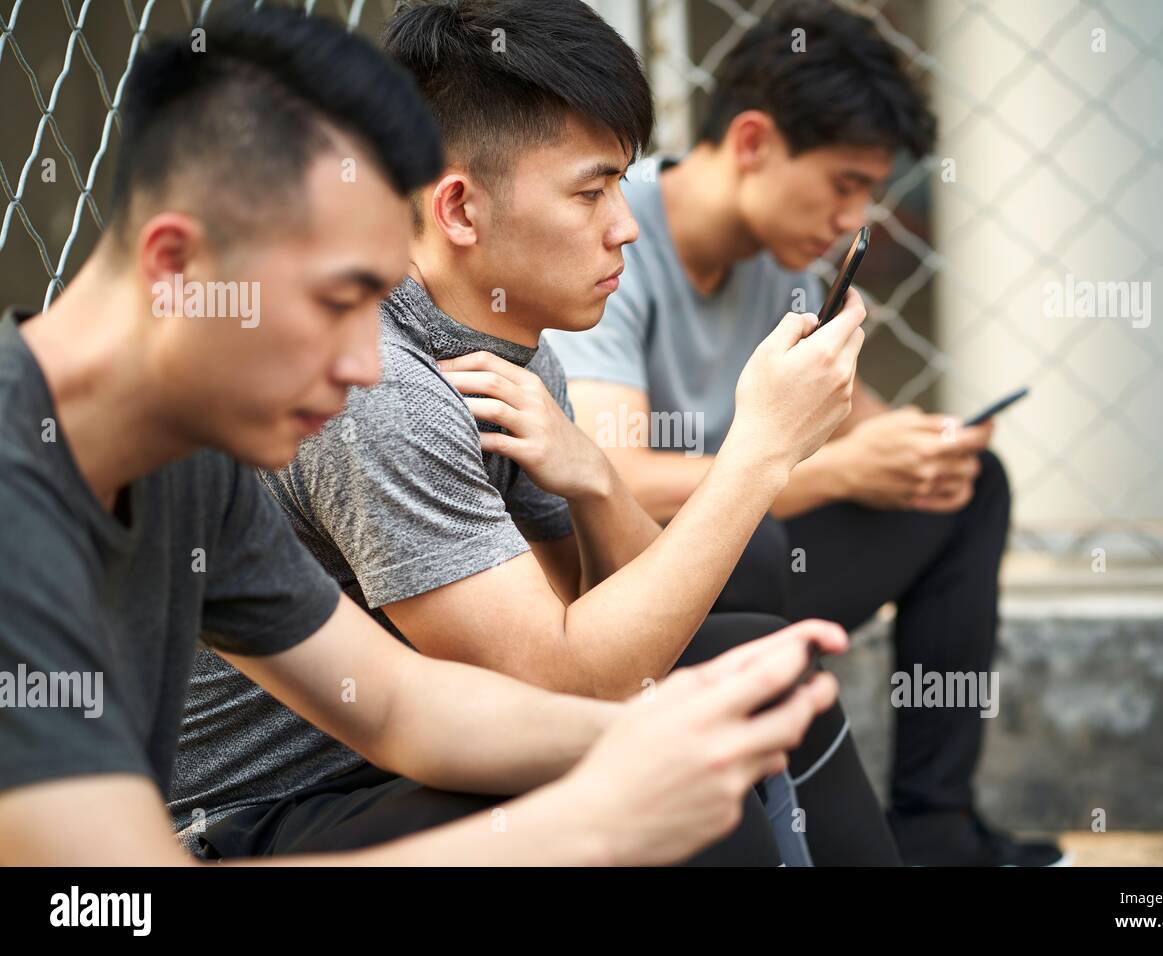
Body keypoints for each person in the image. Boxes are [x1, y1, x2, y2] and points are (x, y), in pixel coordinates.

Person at [0, 5, 844, 867]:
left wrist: (661, 734)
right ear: (178, 268)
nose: (367, 366)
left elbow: (398, 706)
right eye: (338, 303)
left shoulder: (193, 464)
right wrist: (591, 823)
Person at [545, 0, 1066, 866]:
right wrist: (836, 474)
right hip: (645, 578)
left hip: (756, 549)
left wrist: (910, 449)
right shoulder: (614, 234)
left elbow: (852, 422)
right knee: (761, 551)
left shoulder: (782, 260)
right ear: (752, 142)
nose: (852, 217)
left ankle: (936, 832)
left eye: (869, 191)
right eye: (844, 184)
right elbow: (614, 472)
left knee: (971, 489)